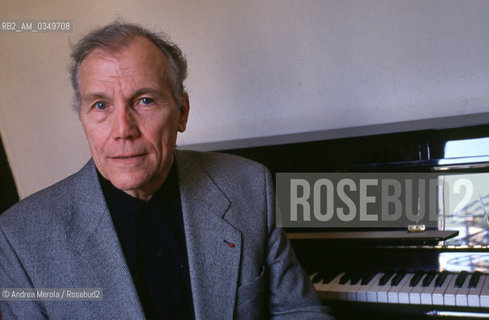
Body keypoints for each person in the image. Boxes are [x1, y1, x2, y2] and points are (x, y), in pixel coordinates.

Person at [0, 22, 333, 319]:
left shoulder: (248, 185)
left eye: (144, 100)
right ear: (83, 118)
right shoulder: (19, 238)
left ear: (182, 112)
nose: (122, 130)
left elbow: (298, 310)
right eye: (100, 105)